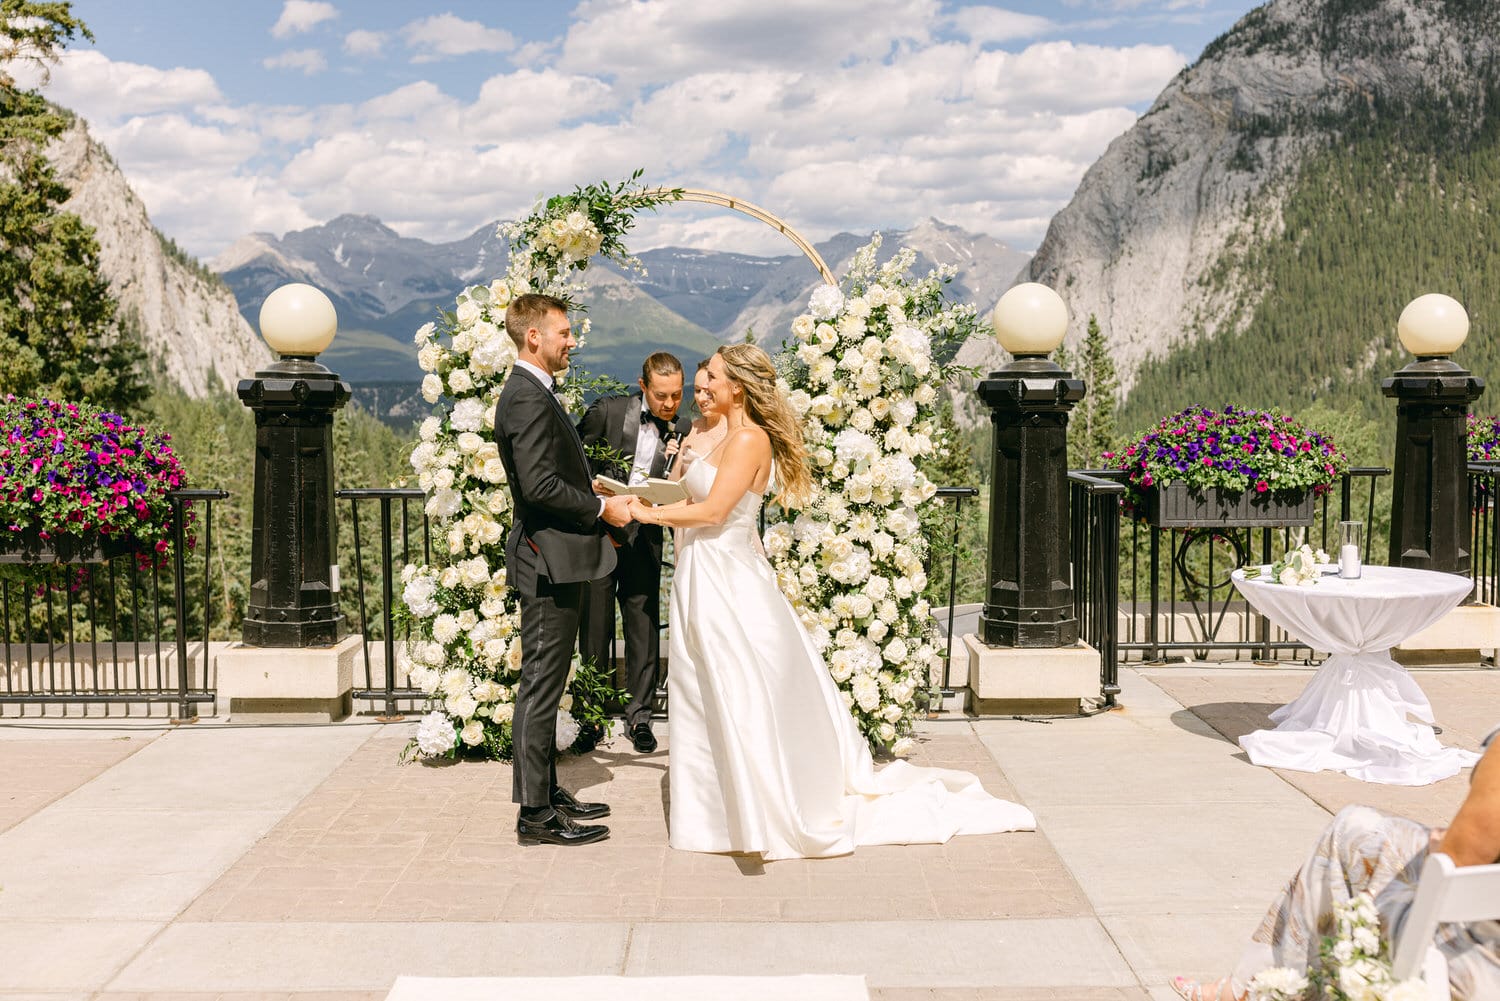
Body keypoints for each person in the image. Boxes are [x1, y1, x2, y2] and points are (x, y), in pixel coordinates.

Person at [626, 344, 1036, 860]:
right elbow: (693, 499)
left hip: (728, 578)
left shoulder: (750, 438)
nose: (703, 384)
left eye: (712, 377)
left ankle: (759, 807)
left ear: (738, 388)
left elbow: (713, 512)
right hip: (701, 575)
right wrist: (639, 498)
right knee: (703, 689)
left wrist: (644, 516)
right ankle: (714, 809)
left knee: (739, 688)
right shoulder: (723, 435)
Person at [1170, 724, 1500, 1000]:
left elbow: (1457, 858)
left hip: (1476, 967)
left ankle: (1256, 989)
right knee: (1366, 833)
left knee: (1349, 832)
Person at [493, 293, 634, 848]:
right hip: (548, 560)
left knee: (548, 685)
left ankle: (546, 793)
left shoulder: (534, 391)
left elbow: (553, 474)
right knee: (541, 687)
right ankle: (534, 816)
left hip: (558, 555)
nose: (572, 341)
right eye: (565, 332)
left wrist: (588, 486)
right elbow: (537, 487)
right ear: (534, 337)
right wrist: (602, 508)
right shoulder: (526, 397)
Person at [577, 351, 692, 754]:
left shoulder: (684, 427)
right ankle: (589, 716)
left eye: (676, 395)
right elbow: (573, 460)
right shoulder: (607, 412)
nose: (669, 404)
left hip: (645, 538)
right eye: (661, 395)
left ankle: (639, 716)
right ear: (643, 387)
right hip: (600, 534)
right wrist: (592, 490)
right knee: (594, 628)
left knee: (643, 627)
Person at [667, 358, 728, 484]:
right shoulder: (689, 430)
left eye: (708, 392)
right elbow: (673, 486)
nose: (701, 398)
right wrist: (675, 460)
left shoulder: (736, 432)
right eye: (697, 390)